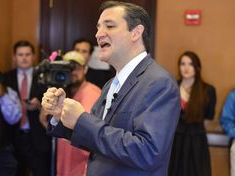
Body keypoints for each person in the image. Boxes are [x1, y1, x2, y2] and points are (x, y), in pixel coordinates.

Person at [41, 1, 181, 176]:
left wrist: (82, 120)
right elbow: (95, 138)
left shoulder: (159, 83)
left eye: (110, 26)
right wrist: (61, 114)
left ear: (136, 32)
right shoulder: (110, 84)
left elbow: (147, 152)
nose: (99, 34)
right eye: (98, 27)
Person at [40, 51, 101, 176]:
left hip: (82, 166)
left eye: (76, 67)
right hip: (65, 163)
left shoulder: (91, 93)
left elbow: (86, 132)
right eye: (68, 68)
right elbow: (59, 131)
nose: (72, 72)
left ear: (85, 69)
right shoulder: (64, 93)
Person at [4, 40, 52, 176]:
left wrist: (39, 106)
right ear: (14, 57)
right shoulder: (7, 78)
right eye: (20, 55)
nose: (24, 58)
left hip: (38, 135)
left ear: (33, 56)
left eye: (27, 54)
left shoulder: (44, 76)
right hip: (13, 136)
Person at [169, 51, 216, 176]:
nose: (186, 68)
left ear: (198, 67)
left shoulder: (208, 90)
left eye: (190, 64)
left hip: (197, 141)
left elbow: (209, 116)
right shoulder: (171, 87)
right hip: (176, 141)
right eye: (182, 64)